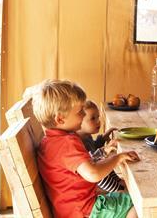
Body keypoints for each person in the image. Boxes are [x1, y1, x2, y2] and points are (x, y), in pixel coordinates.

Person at [32, 79, 140, 218]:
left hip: (67, 209)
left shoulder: (48, 142)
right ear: (60, 119)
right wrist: (117, 158)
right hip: (86, 210)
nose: (83, 115)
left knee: (126, 194)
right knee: (138, 204)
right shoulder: (68, 143)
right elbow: (93, 174)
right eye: (79, 111)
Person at [78, 100, 126, 193]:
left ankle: (118, 181)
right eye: (93, 118)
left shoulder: (87, 135)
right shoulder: (77, 142)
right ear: (79, 122)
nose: (98, 122)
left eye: (98, 117)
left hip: (95, 167)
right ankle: (118, 190)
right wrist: (104, 151)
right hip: (91, 179)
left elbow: (94, 147)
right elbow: (92, 160)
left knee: (106, 163)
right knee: (102, 168)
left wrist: (103, 138)